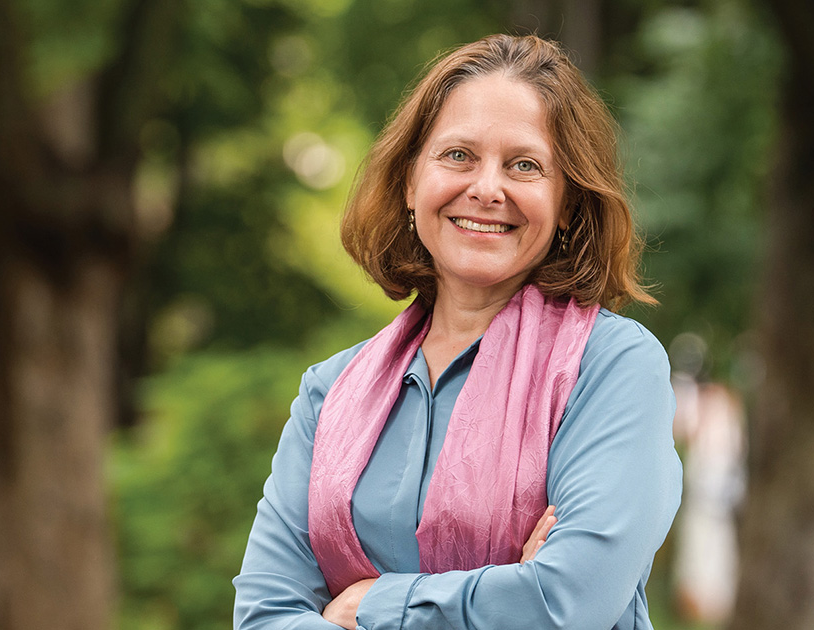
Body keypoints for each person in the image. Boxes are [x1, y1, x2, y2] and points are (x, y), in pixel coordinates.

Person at [234, 34, 681, 630]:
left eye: (524, 165)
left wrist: (370, 606)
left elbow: (567, 605)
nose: (487, 188)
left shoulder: (611, 368)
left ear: (568, 201)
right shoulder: (328, 393)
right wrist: (504, 594)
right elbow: (265, 614)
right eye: (458, 156)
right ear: (410, 182)